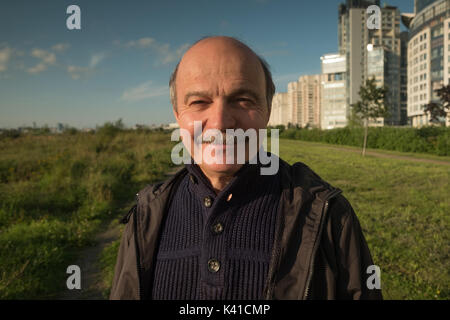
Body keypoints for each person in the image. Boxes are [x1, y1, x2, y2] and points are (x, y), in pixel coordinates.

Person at [110, 36, 382, 300]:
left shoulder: (328, 214)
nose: (220, 122)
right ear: (177, 114)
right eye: (199, 102)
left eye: (243, 100)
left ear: (267, 109)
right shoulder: (147, 215)